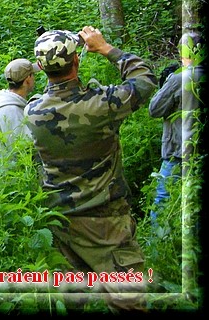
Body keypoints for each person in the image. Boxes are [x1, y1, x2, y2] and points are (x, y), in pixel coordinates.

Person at [25, 26, 157, 311]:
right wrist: (106, 48)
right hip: (105, 222)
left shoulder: (32, 112)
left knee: (72, 301)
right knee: (128, 303)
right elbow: (145, 79)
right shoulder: (102, 105)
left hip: (60, 221)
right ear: (77, 61)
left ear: (39, 67)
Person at [148, 31, 204, 222]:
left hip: (178, 152)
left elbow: (154, 109)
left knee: (162, 202)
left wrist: (165, 85)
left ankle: (157, 248)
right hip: (201, 152)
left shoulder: (179, 78)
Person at [0, 58, 40, 163]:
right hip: (14, 174)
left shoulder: (4, 103)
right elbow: (26, 146)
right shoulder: (11, 111)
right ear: (27, 79)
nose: (34, 78)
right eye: (33, 75)